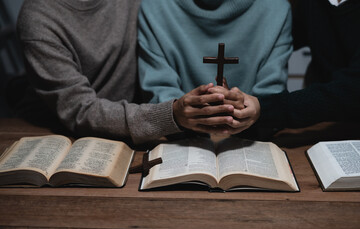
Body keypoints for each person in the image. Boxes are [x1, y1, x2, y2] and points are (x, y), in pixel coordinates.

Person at [13, 0, 239, 145]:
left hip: (136, 121)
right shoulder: (38, 18)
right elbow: (80, 111)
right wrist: (170, 115)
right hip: (65, 133)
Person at [212, 0, 360, 132]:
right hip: (319, 125)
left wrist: (265, 108)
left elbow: (353, 89)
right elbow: (275, 42)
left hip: (345, 120)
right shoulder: (312, 4)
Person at [138, 0, 293, 105]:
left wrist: (251, 109)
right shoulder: (155, 7)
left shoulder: (276, 8)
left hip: (254, 138)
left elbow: (272, 97)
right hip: (178, 139)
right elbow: (158, 94)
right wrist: (180, 112)